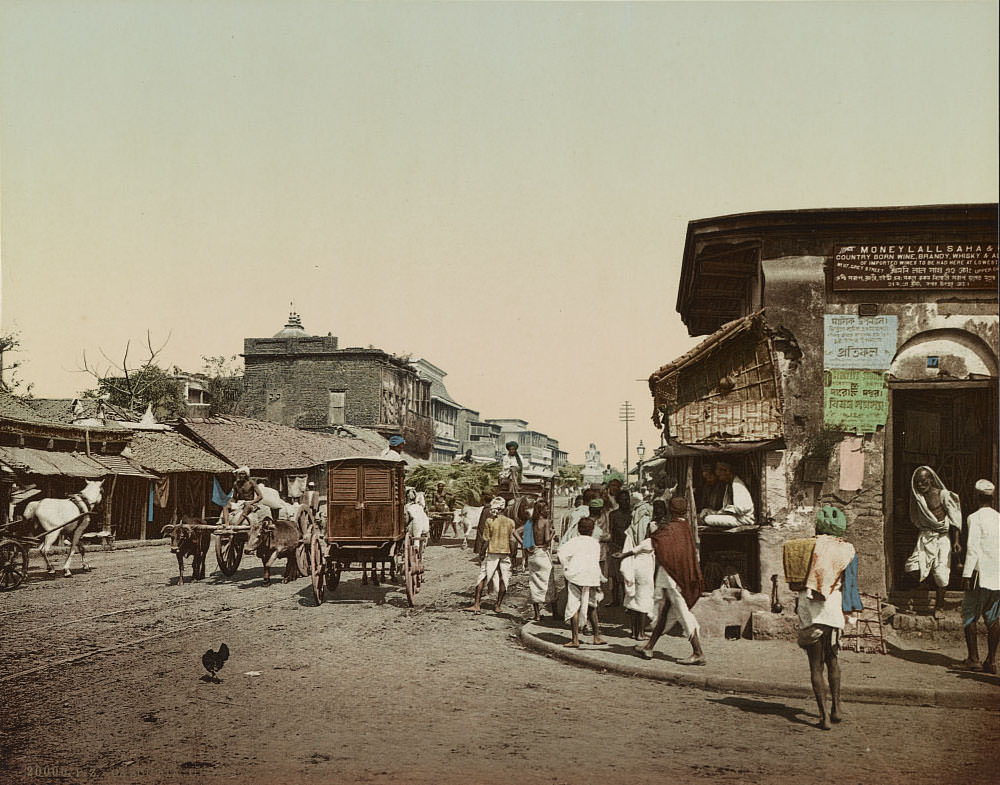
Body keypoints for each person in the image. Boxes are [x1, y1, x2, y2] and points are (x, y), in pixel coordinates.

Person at [794, 530, 856, 730]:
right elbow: (850, 582)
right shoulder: (845, 549)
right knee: (832, 659)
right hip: (833, 606)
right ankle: (837, 708)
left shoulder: (810, 546)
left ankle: (824, 718)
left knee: (815, 665)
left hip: (812, 609)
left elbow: (796, 582)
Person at [637, 497, 705, 666]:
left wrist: (627, 554)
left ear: (670, 509)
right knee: (665, 614)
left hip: (672, 578)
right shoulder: (685, 527)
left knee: (683, 614)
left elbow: (653, 542)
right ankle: (649, 646)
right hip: (677, 577)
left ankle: (698, 652)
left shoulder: (670, 529)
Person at [905, 465, 962, 614]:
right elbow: (917, 519)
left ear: (931, 480)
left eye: (924, 481)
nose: (920, 485)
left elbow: (955, 519)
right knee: (912, 567)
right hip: (925, 536)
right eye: (917, 482)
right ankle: (925, 585)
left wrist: (956, 541)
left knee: (942, 573)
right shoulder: (918, 498)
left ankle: (940, 605)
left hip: (942, 537)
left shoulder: (943, 495)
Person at [960, 479, 1000, 673]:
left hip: (980, 574)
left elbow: (972, 548)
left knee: (969, 614)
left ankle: (973, 658)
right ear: (992, 498)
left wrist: (967, 574)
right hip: (997, 576)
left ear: (977, 497)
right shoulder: (998, 518)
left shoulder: (974, 518)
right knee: (994, 617)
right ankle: (991, 661)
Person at [558, 516, 606, 648]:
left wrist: (567, 567)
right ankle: (596, 636)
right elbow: (595, 562)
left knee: (574, 606)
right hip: (591, 578)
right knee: (592, 606)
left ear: (579, 529)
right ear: (592, 530)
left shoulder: (573, 542)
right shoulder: (595, 543)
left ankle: (575, 639)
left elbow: (561, 554)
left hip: (576, 577)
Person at [616, 494, 657, 640]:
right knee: (644, 599)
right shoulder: (650, 531)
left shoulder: (630, 531)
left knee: (633, 598)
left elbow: (627, 551)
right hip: (645, 567)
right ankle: (640, 633)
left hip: (633, 566)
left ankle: (633, 631)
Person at [464, 497, 515, 614]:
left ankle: (476, 604)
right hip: (505, 553)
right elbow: (512, 541)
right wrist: (512, 554)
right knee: (504, 579)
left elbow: (486, 540)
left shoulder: (490, 521)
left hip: (492, 552)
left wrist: (482, 553)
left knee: (482, 577)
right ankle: (498, 606)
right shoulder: (510, 522)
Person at [515, 500, 556, 620]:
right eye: (546, 509)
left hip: (532, 555)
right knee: (549, 583)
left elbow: (515, 532)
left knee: (534, 584)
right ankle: (555, 613)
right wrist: (553, 533)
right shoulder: (546, 522)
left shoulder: (530, 522)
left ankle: (537, 614)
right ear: (541, 510)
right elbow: (547, 540)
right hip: (542, 554)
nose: (548, 510)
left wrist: (524, 543)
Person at [699, 461, 755, 528]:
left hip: (743, 519)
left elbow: (741, 509)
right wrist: (715, 512)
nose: (717, 473)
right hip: (737, 516)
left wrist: (718, 513)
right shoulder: (729, 484)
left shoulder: (737, 485)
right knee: (706, 513)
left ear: (727, 471)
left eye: (719, 471)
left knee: (708, 519)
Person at [607, 489, 632, 607]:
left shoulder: (633, 514)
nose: (625, 502)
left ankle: (627, 600)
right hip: (615, 546)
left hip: (629, 547)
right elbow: (610, 531)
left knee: (627, 575)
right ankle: (615, 600)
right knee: (614, 575)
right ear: (618, 501)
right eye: (622, 500)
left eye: (627, 499)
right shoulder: (613, 515)